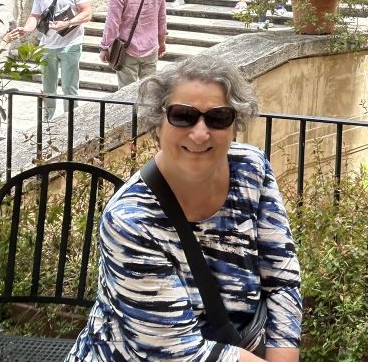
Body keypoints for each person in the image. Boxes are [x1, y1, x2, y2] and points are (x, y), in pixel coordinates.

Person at [67, 56, 302, 362]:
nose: (201, 133)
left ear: (234, 125)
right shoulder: (130, 221)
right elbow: (175, 352)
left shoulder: (251, 169)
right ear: (158, 122)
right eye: (183, 116)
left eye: (218, 118)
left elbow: (282, 278)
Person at [11, 0, 92, 120]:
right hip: (47, 45)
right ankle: (49, 121)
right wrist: (26, 29)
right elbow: (35, 15)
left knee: (69, 87)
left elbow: (87, 13)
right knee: (48, 88)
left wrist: (68, 23)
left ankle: (71, 120)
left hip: (71, 44)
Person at [101, 0, 167, 88]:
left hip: (127, 47)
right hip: (151, 45)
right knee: (150, 91)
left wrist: (105, 46)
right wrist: (161, 41)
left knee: (126, 93)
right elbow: (161, 17)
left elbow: (113, 20)